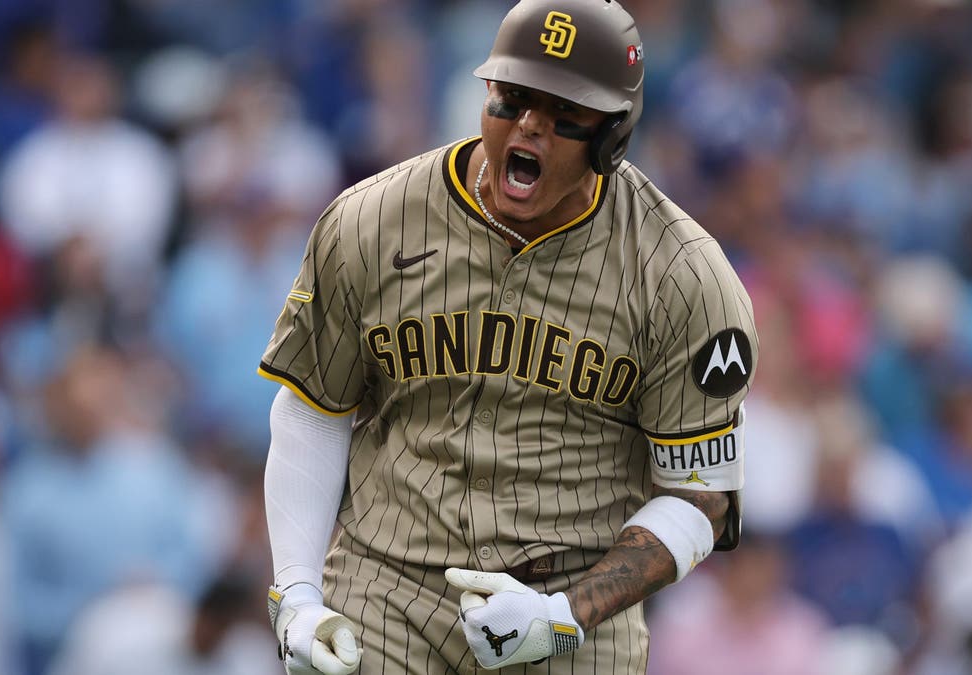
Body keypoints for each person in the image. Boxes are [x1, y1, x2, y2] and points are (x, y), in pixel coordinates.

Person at [257, 0, 757, 673]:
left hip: (574, 610)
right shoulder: (372, 220)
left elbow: (701, 495)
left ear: (613, 135)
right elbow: (315, 407)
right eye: (513, 100)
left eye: (562, 116)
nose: (529, 128)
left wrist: (565, 614)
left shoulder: (681, 274)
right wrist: (298, 593)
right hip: (388, 586)